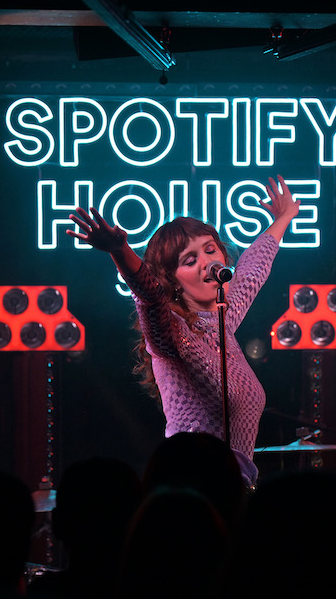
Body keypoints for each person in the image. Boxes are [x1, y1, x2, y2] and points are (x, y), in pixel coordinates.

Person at [68, 177, 300, 485]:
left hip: (229, 486)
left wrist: (283, 217)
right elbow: (150, 297)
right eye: (190, 260)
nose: (207, 263)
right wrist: (120, 250)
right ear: (173, 280)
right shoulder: (172, 333)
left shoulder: (223, 321)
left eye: (210, 250)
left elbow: (253, 268)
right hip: (190, 486)